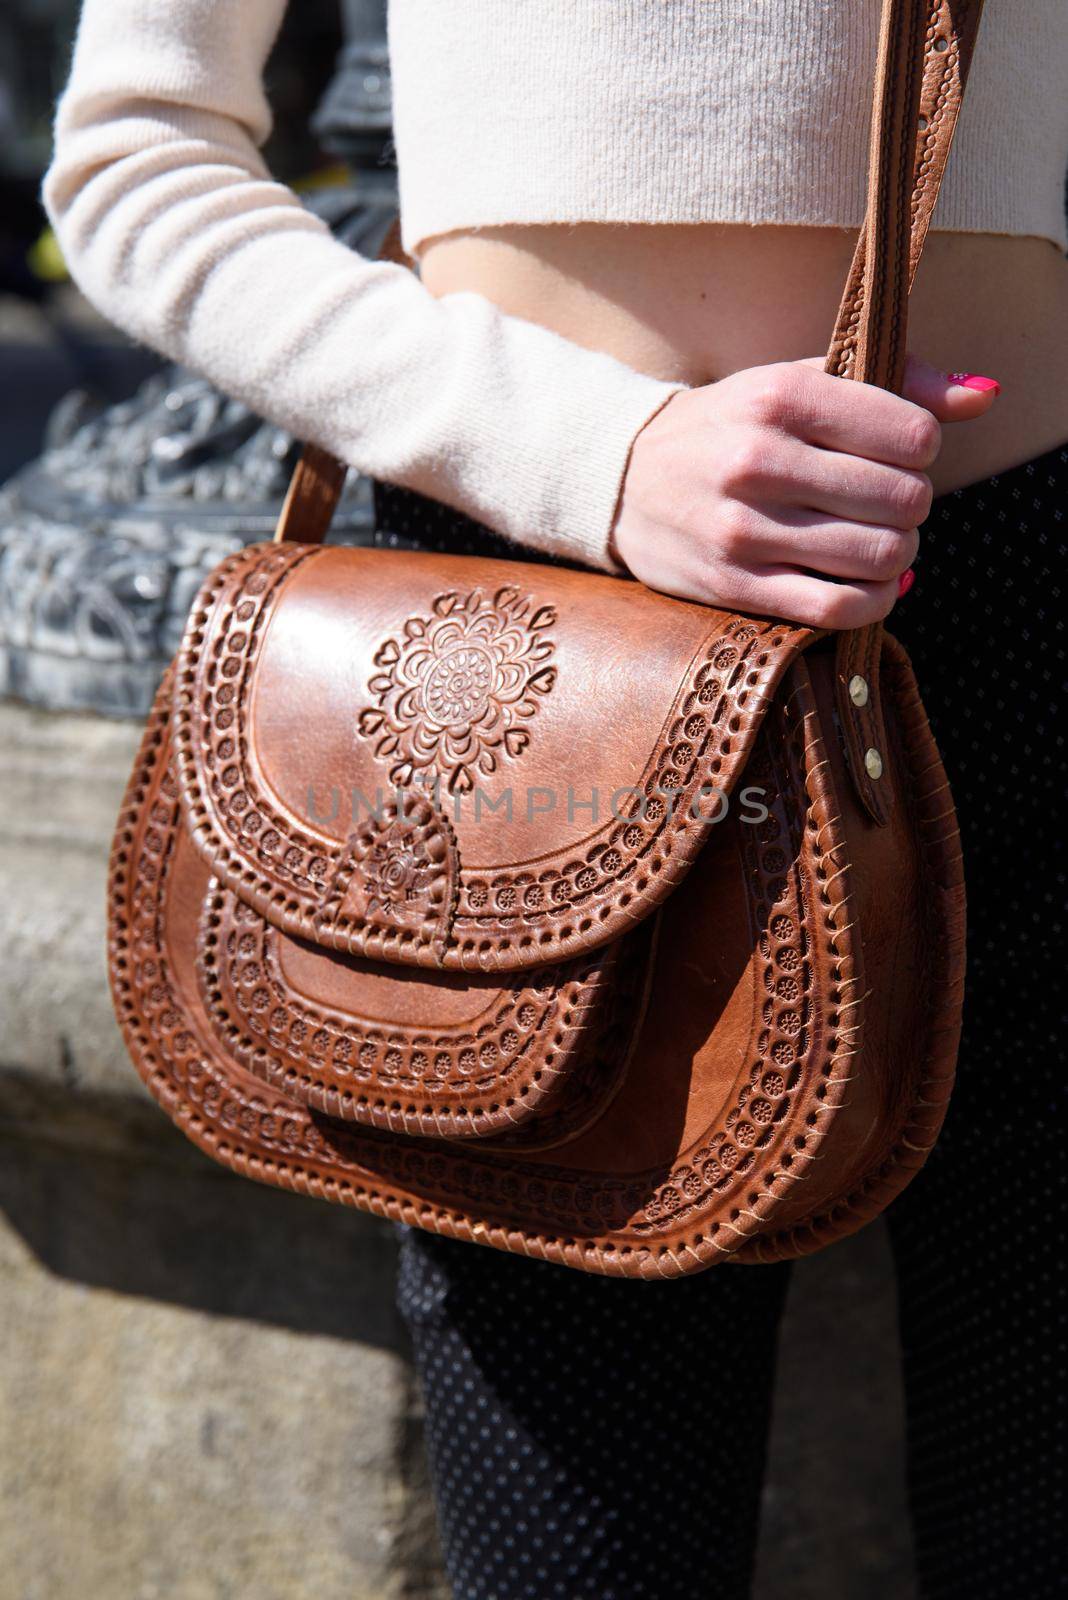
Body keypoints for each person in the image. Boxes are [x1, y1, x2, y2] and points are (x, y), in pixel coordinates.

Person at [44, 3, 1066, 1596]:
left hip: (1032, 605)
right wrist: (602, 453)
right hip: (551, 634)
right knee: (581, 1553)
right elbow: (132, 154)